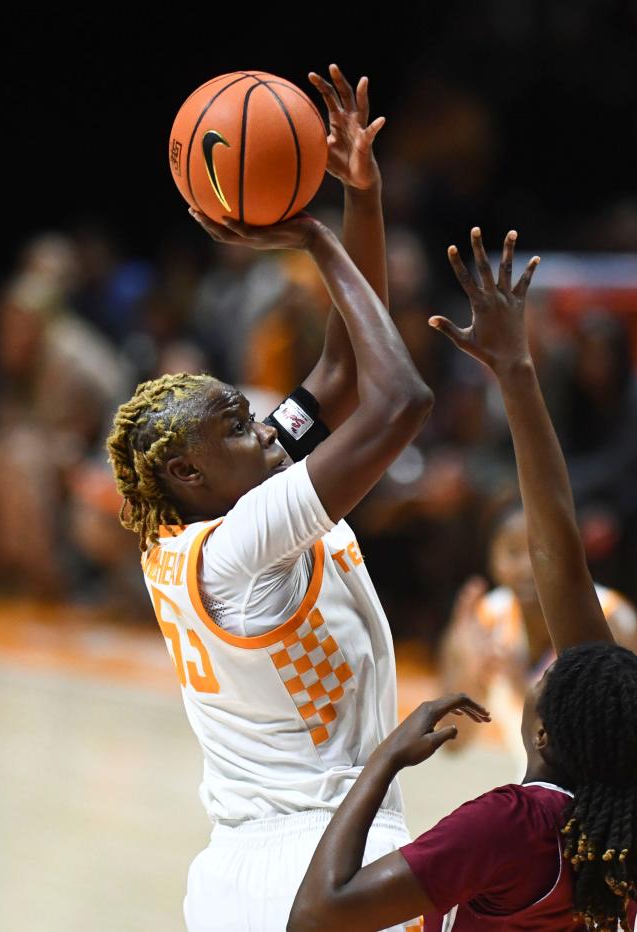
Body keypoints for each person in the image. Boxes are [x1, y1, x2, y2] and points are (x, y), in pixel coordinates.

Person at [106, 67, 433, 932]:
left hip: (240, 870)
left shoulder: (198, 525)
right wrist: (316, 243)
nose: (263, 426)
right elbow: (399, 400)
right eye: (238, 425)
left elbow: (342, 371)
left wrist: (358, 198)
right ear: (187, 472)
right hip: (321, 857)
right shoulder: (242, 544)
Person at [288, 228, 637, 931]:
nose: (543, 671)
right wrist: (518, 370)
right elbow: (559, 547)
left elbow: (316, 915)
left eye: (547, 680)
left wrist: (382, 762)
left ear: (548, 737)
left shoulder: (515, 823)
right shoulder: (623, 801)